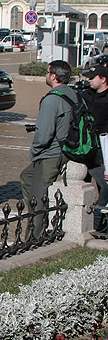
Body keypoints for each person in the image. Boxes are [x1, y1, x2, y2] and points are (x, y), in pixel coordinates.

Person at [21, 60, 76, 238]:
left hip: (51, 154)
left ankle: (35, 236)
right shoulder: (72, 94)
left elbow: (43, 135)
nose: (46, 75)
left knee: (37, 197)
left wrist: (35, 151)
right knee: (27, 176)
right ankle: (38, 227)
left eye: (47, 72)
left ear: (53, 76)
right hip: (65, 150)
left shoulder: (52, 99)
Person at [80, 65, 108, 236]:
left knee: (104, 186)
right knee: (81, 180)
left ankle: (104, 221)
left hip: (103, 148)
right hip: (86, 146)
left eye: (93, 77)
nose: (89, 80)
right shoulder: (85, 95)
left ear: (103, 79)